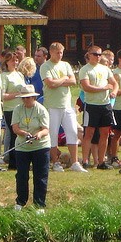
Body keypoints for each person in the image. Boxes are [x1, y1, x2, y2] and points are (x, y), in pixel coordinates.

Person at [41, 42, 86, 172]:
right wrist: (64, 78)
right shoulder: (46, 66)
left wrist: (60, 80)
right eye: (57, 53)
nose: (60, 55)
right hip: (52, 105)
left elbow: (73, 81)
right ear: (51, 52)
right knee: (53, 134)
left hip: (66, 105)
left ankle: (75, 162)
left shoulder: (65, 65)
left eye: (61, 52)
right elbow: (50, 84)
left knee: (72, 131)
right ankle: (55, 162)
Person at [11, 85, 50, 212]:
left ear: (34, 97)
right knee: (21, 175)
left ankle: (39, 204)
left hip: (41, 146)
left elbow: (45, 129)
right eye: (23, 98)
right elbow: (15, 128)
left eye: (28, 98)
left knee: (40, 176)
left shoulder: (41, 110)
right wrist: (24, 133)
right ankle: (20, 202)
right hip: (22, 147)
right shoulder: (17, 109)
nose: (26, 100)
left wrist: (38, 134)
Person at [79, 45, 117, 169]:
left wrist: (114, 92)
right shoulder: (85, 70)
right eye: (95, 54)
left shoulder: (105, 69)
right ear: (89, 55)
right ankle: (85, 160)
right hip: (91, 105)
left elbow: (114, 83)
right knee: (89, 133)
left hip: (105, 105)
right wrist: (104, 88)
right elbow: (86, 87)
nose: (98, 57)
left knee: (105, 133)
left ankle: (101, 161)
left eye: (100, 55)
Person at [1, 51, 28, 170]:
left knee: (21, 134)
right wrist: (18, 94)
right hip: (10, 109)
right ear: (7, 62)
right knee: (13, 134)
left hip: (21, 108)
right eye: (12, 60)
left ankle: (22, 160)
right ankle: (13, 162)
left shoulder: (19, 75)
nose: (15, 62)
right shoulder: (4, 76)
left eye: (16, 60)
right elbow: (2, 95)